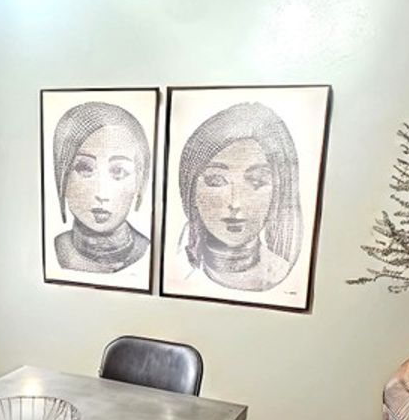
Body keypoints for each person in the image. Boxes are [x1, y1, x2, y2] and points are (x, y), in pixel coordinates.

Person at [176, 101, 303, 291]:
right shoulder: (174, 266)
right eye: (216, 180)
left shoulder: (279, 274)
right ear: (190, 189)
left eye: (257, 181)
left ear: (279, 191)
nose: (235, 203)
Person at [51, 101, 151, 273]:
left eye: (119, 171)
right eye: (84, 168)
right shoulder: (56, 250)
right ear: (63, 177)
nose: (101, 193)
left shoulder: (147, 252)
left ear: (139, 182)